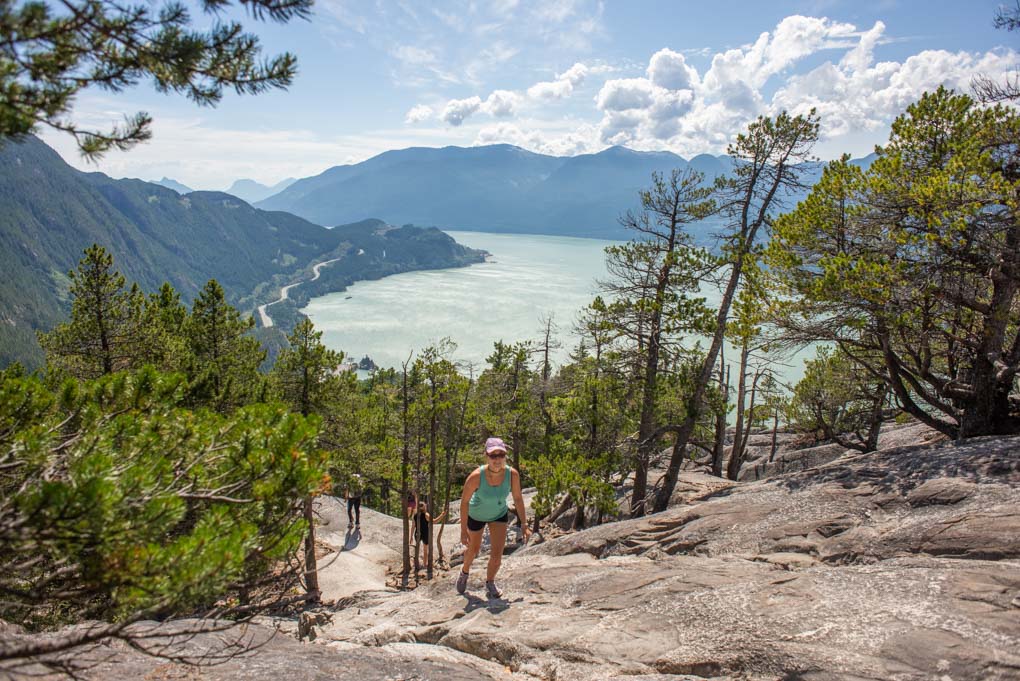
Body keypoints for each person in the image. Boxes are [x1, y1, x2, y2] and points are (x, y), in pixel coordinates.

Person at [456, 437, 530, 598]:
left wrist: (524, 523)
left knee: (497, 555)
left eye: (501, 455)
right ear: (486, 456)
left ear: (505, 456)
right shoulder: (476, 476)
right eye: (493, 455)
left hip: (498, 514)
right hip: (477, 515)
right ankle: (464, 571)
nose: (497, 459)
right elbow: (464, 502)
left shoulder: (512, 475)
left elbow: (517, 498)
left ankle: (490, 583)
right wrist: (463, 530)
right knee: (473, 549)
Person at [414, 501, 447, 567]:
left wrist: (411, 536)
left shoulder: (415, 515)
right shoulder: (426, 515)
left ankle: (417, 564)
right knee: (425, 550)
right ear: (424, 507)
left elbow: (413, 525)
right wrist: (442, 515)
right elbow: (434, 521)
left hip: (417, 533)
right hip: (425, 533)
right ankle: (425, 564)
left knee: (417, 549)